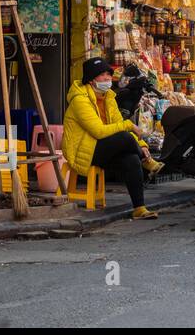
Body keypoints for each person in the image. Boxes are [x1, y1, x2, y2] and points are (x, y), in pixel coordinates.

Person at [63, 58, 161, 220]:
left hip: (102, 148)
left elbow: (118, 123)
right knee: (124, 136)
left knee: (131, 159)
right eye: (102, 75)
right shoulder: (80, 100)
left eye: (109, 74)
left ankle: (139, 208)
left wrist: (142, 145)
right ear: (91, 79)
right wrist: (129, 126)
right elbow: (99, 131)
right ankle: (147, 162)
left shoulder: (108, 97)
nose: (108, 78)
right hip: (83, 151)